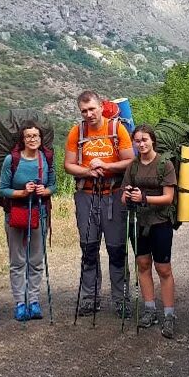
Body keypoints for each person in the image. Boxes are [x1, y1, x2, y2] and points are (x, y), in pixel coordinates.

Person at [64, 91, 133, 317]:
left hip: (113, 194)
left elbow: (130, 160)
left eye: (92, 109)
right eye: (84, 111)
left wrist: (106, 166)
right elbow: (68, 165)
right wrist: (88, 171)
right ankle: (89, 298)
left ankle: (121, 298)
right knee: (89, 247)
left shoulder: (116, 129)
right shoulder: (77, 131)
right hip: (86, 194)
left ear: (101, 107)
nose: (89, 114)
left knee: (116, 248)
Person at [123, 125, 179, 338]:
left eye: (144, 139)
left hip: (160, 222)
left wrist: (144, 198)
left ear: (152, 141)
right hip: (138, 222)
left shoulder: (165, 164)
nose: (141, 144)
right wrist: (129, 195)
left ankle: (169, 315)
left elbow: (168, 198)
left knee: (163, 269)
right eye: (137, 141)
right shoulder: (133, 167)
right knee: (143, 265)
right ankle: (149, 310)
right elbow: (123, 196)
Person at [0, 121, 54, 322]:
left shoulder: (46, 158)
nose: (32, 139)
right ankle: (20, 303)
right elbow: (2, 189)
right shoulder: (11, 160)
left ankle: (33, 301)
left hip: (39, 213)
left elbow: (53, 185)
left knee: (36, 260)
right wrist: (22, 192)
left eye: (36, 136)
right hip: (15, 214)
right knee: (18, 261)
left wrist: (45, 191)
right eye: (28, 136)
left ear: (41, 139)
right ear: (22, 140)